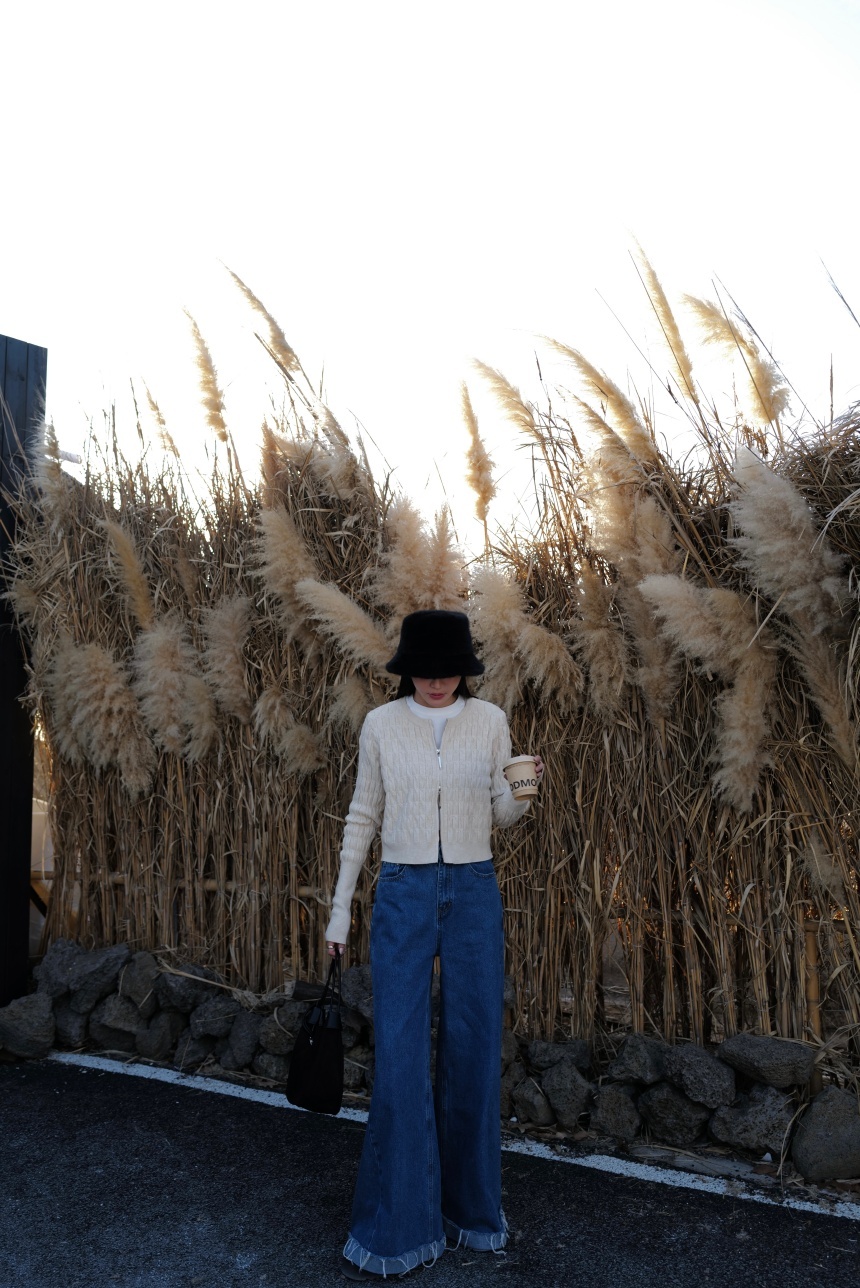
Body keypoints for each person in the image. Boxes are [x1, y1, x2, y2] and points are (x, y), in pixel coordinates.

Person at [324, 608, 544, 1281]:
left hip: (474, 890)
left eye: (448, 670)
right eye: (425, 670)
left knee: (474, 1049)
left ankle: (469, 1213)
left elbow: (500, 813)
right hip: (403, 891)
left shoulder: (491, 721)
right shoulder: (382, 726)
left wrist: (522, 794)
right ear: (407, 670)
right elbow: (363, 814)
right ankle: (399, 1228)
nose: (437, 681)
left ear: (464, 670)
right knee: (398, 1055)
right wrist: (339, 912)